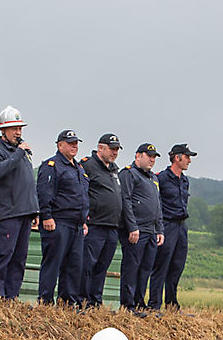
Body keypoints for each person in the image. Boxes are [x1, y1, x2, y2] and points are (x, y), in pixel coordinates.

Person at [0, 106, 38, 300]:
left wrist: (34, 210)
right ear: (3, 130)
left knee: (19, 259)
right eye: (14, 128)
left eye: (20, 128)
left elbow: (28, 182)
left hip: (25, 212)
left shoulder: (23, 152)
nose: (18, 133)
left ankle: (12, 297)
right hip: (8, 213)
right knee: (3, 255)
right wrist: (18, 154)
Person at [36, 129, 91, 306]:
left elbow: (82, 195)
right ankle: (45, 301)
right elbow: (44, 192)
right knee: (53, 263)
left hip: (77, 224)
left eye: (76, 143)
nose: (74, 146)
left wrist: (83, 220)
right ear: (60, 145)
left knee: (73, 265)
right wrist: (46, 215)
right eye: (70, 143)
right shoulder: (52, 165)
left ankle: (67, 302)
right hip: (58, 221)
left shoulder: (79, 168)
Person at [118, 143, 164, 313]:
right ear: (138, 156)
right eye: (149, 156)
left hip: (151, 230)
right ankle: (128, 304)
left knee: (145, 269)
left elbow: (158, 205)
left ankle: (139, 302)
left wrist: (160, 229)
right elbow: (126, 201)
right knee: (131, 267)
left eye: (154, 157)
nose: (152, 160)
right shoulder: (129, 174)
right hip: (136, 230)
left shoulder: (153, 178)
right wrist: (132, 226)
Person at [149, 143, 196, 311]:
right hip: (167, 224)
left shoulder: (184, 180)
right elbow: (157, 204)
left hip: (181, 226)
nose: (189, 160)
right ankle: (154, 304)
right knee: (161, 265)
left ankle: (171, 304)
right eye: (187, 157)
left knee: (177, 266)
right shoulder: (161, 178)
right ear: (177, 157)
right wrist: (159, 228)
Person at [80, 134, 124, 309]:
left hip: (112, 225)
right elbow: (81, 192)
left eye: (117, 149)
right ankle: (82, 301)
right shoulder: (88, 165)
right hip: (95, 224)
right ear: (100, 148)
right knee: (87, 265)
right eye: (111, 149)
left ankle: (95, 302)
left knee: (102, 266)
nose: (114, 152)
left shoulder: (114, 170)